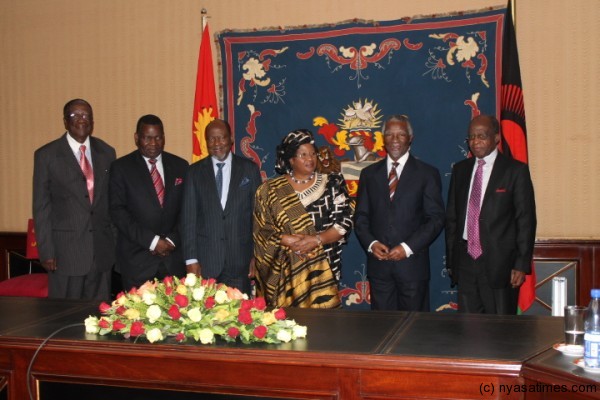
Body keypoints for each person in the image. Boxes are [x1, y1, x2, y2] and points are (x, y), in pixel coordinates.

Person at [445, 114, 536, 314]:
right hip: (466, 261)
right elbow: (452, 218)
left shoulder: (515, 171)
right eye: (471, 137)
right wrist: (452, 260)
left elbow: (525, 220)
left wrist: (521, 265)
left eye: (482, 136)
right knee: (469, 330)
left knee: (500, 331)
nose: (475, 141)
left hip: (500, 264)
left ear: (496, 137)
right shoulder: (460, 170)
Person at [253, 129, 354, 308]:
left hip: (324, 267)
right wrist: (286, 239)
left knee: (323, 328)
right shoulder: (270, 190)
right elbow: (262, 230)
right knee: (287, 327)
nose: (310, 159)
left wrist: (316, 240)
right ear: (291, 159)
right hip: (284, 271)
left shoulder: (333, 183)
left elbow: (344, 223)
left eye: (313, 154)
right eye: (303, 155)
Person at [354, 115, 445, 311]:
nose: (395, 140)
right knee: (383, 331)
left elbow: (436, 219)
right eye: (390, 134)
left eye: (401, 135)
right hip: (379, 269)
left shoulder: (427, 173)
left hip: (413, 268)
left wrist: (407, 247)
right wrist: (371, 244)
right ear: (383, 138)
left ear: (410, 138)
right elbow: (361, 217)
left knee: (414, 332)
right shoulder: (369, 174)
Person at [33, 98, 116, 300]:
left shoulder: (107, 152)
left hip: (101, 253)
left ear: (92, 121)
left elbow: (111, 202)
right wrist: (46, 251)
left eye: (86, 115)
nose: (81, 119)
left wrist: (114, 244)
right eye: (75, 115)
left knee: (100, 320)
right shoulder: (47, 155)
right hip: (65, 255)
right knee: (64, 319)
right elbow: (41, 206)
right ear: (65, 121)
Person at [181, 119, 261, 295]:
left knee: (241, 319)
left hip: (240, 263)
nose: (217, 143)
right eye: (211, 139)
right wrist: (191, 260)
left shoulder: (249, 170)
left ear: (231, 139)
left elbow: (258, 217)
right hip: (205, 263)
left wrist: (257, 255)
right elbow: (188, 218)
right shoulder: (194, 172)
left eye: (221, 138)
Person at [109, 114, 189, 291]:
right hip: (137, 261)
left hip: (173, 260)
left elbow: (188, 210)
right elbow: (118, 212)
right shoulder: (121, 168)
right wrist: (153, 241)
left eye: (158, 137)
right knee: (136, 317)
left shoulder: (180, 166)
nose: (153, 143)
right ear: (137, 138)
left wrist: (171, 240)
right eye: (147, 138)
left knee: (176, 316)